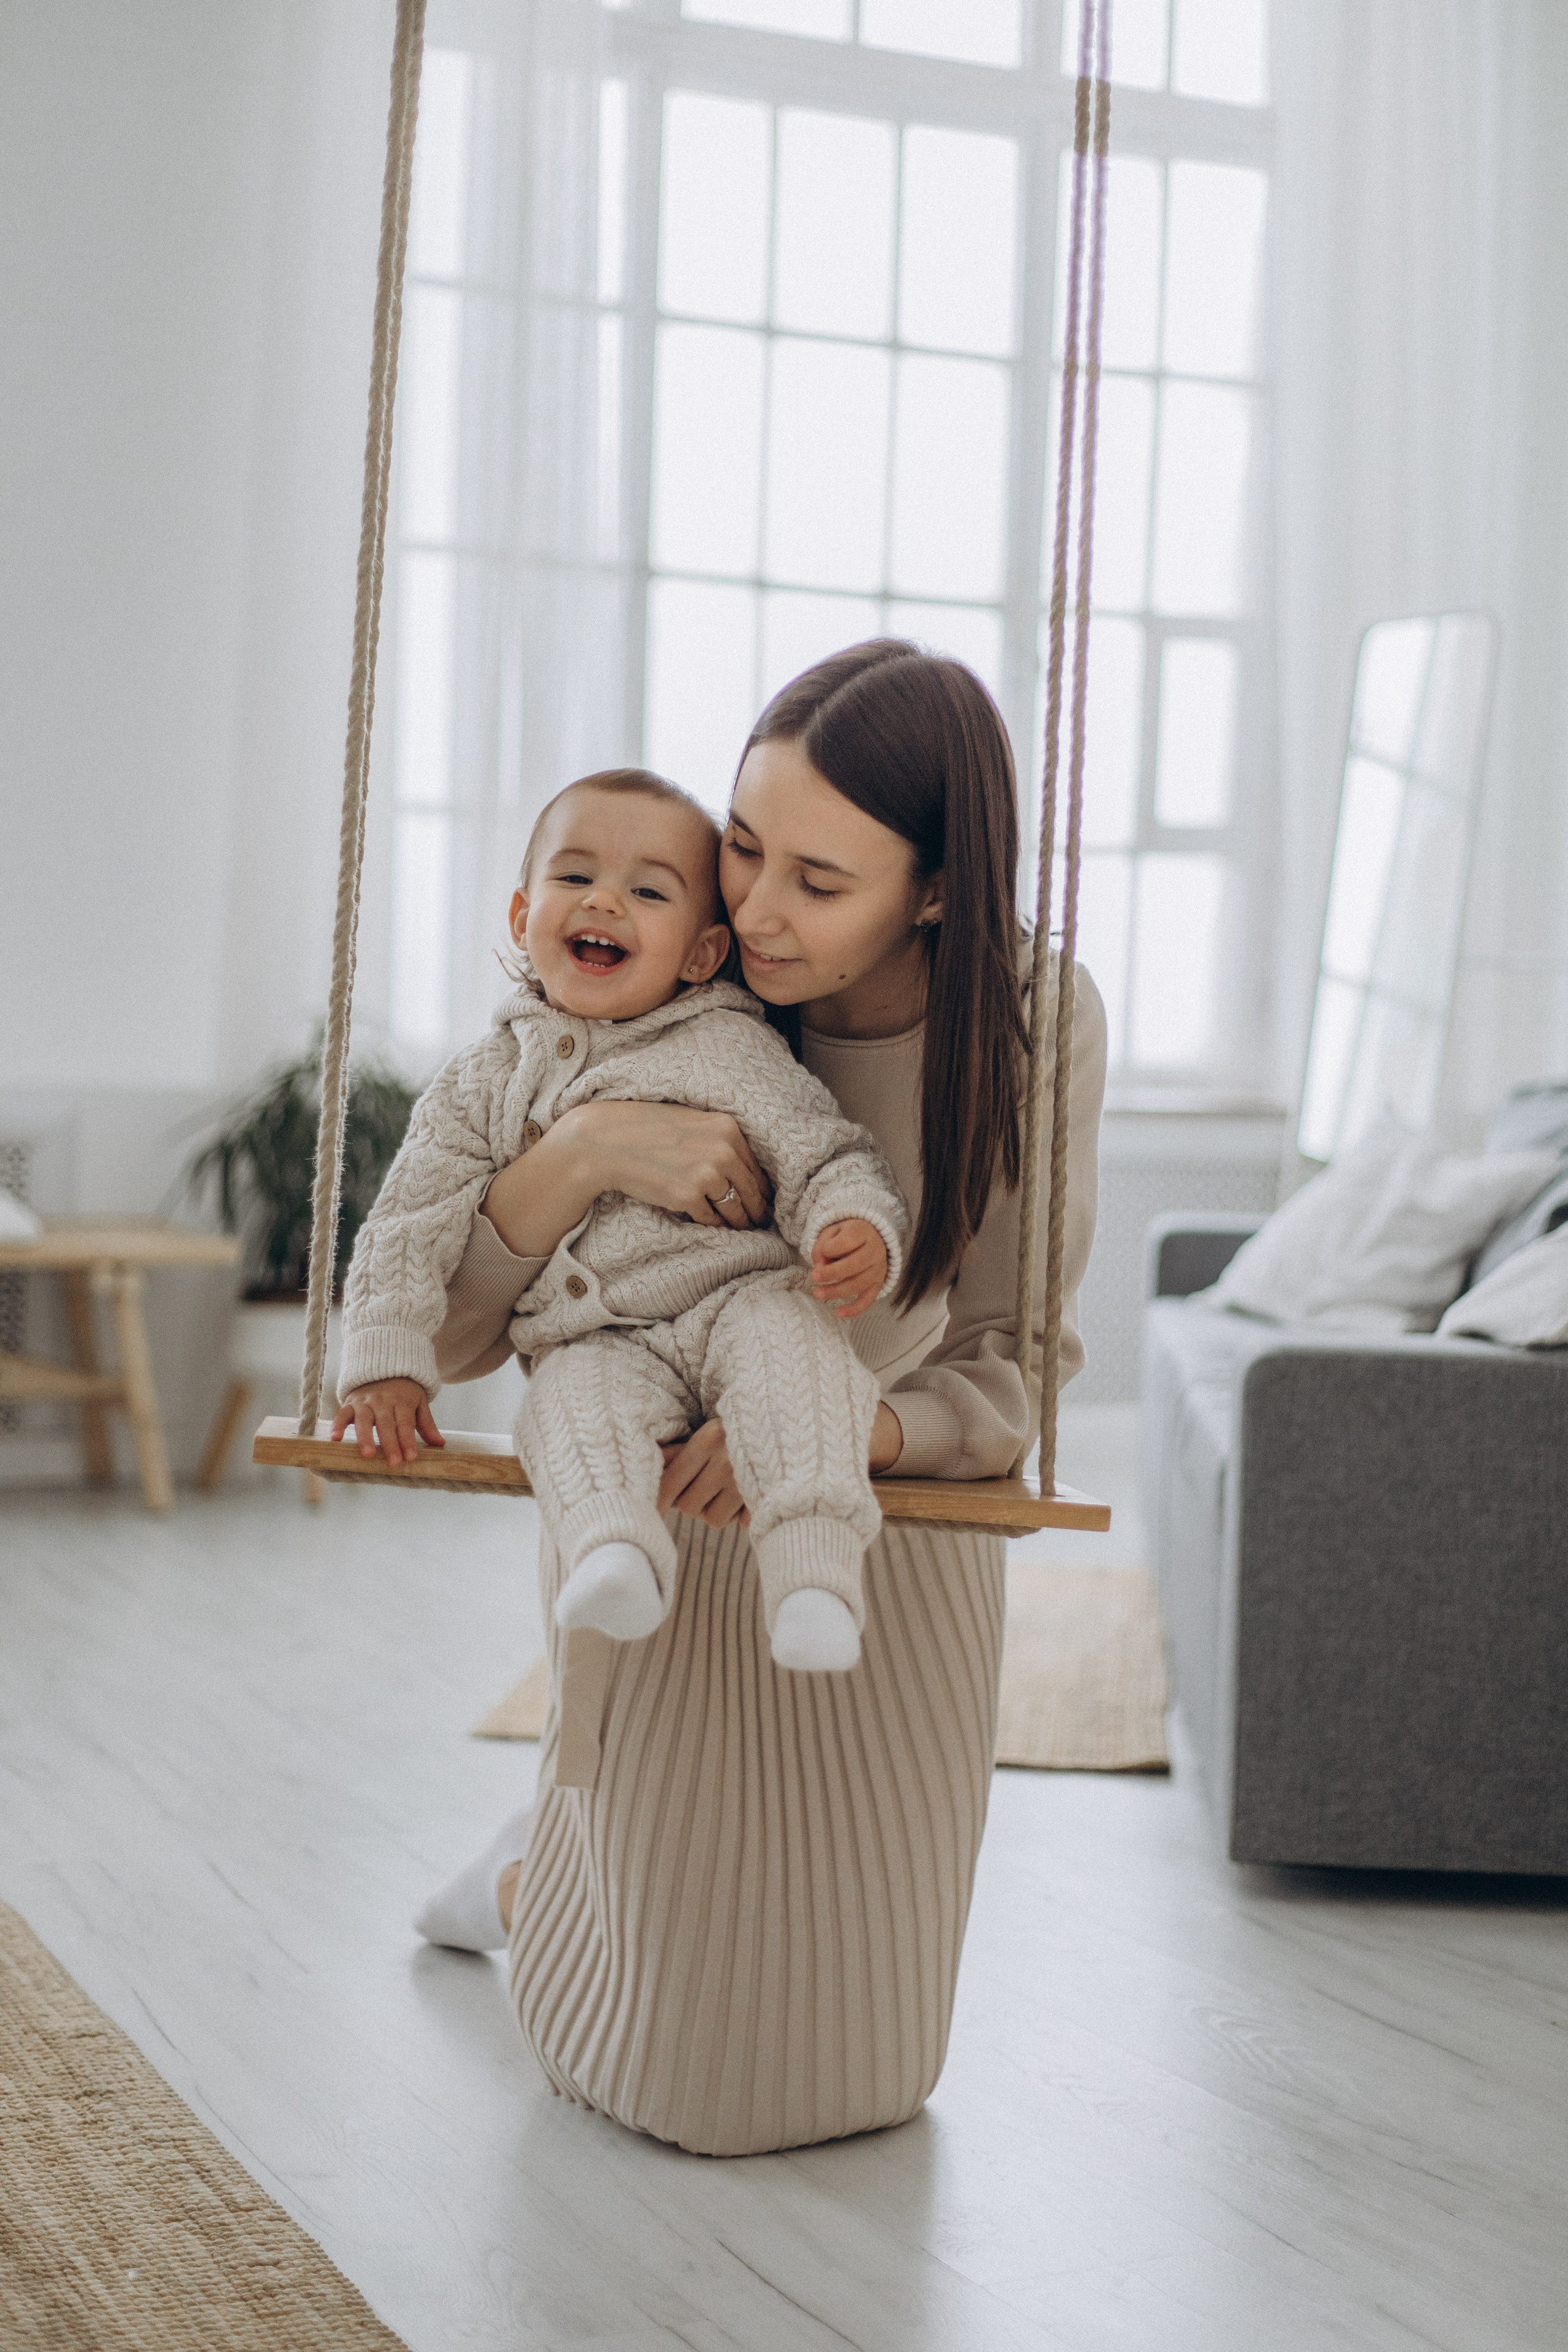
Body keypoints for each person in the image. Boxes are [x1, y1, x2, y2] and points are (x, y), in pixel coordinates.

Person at [415, 643, 1106, 2158]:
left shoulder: (1029, 1017)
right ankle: (542, 1879)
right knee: (673, 2052)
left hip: (881, 1517)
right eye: (742, 845)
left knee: (855, 2047)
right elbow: (456, 1337)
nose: (757, 911)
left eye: (820, 879)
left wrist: (850, 1427)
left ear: (934, 892)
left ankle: (532, 1866)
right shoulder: (679, 965)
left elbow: (1017, 1361)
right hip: (665, 1507)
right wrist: (583, 1153)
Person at [332, 767, 908, 1684]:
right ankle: (612, 1550)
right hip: (594, 1337)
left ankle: (814, 1576)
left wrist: (854, 1223)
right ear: (522, 915)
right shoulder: (482, 1081)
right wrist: (386, 1358)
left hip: (739, 1302)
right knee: (565, 1405)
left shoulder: (730, 1047)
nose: (604, 900)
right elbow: (409, 1222)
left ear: (701, 953)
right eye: (575, 877)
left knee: (797, 1364)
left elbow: (822, 1150)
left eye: (648, 891)